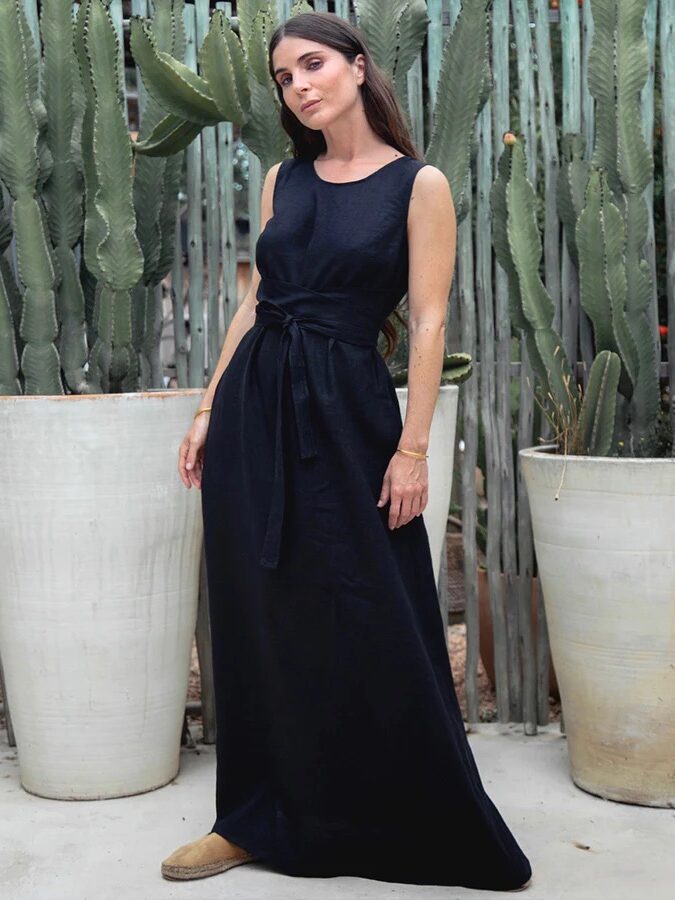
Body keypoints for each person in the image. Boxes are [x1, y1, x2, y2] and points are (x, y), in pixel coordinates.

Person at [166, 10, 532, 893]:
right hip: (258, 403)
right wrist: (211, 404)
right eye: (285, 77)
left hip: (349, 410)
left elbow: (431, 318)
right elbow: (257, 303)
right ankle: (251, 817)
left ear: (360, 68)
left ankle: (393, 811)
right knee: (260, 608)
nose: (299, 86)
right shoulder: (283, 180)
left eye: (313, 65)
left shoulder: (418, 184)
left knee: (373, 607)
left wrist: (411, 450)